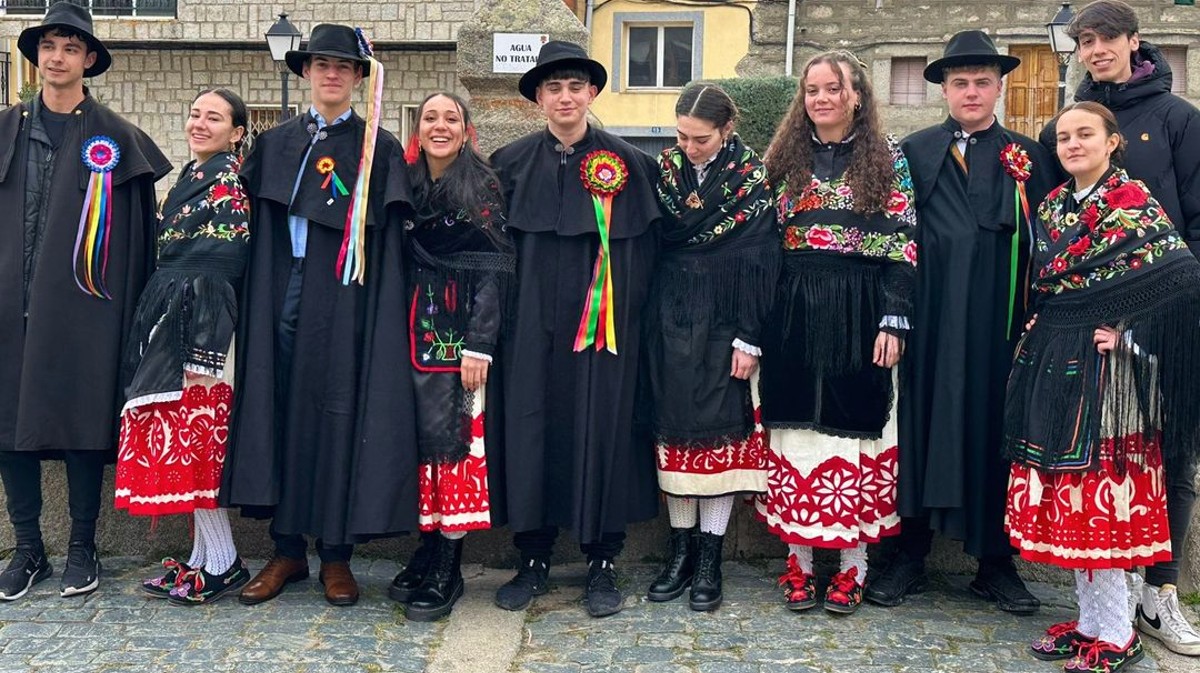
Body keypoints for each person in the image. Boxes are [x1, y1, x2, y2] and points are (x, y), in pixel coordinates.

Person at [220, 24, 417, 607]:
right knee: (276, 405)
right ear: (305, 72)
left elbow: (389, 246)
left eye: (343, 66)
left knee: (338, 410)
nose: (331, 74)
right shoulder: (274, 144)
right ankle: (285, 551)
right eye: (321, 64)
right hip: (280, 289)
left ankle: (335, 553)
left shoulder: (376, 147)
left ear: (359, 77)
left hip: (345, 294)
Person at [1007, 101, 1200, 673]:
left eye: (1085, 133)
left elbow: (1180, 282)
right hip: (1055, 359)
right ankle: (1092, 623)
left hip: (1109, 377)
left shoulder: (1133, 204)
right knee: (1070, 495)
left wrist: (1129, 335)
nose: (1072, 144)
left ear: (1113, 141)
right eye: (1063, 136)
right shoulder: (1051, 207)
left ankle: (1118, 634)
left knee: (1102, 498)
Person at [872, 30, 1057, 614]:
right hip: (928, 324)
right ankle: (909, 553)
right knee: (920, 428)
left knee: (993, 431)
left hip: (999, 330)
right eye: (960, 83)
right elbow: (894, 237)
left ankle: (996, 564)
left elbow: (1050, 244)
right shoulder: (913, 152)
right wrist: (894, 313)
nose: (971, 92)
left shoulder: (1030, 158)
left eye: (982, 82)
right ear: (944, 90)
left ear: (999, 88)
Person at [0, 1, 170, 601]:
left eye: (71, 47)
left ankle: (81, 547)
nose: (58, 57)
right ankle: (27, 550)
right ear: (36, 56)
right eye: (49, 45)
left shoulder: (118, 142)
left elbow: (137, 243)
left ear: (89, 60)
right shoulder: (4, 130)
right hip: (6, 312)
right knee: (5, 428)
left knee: (78, 426)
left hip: (81, 314)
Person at [489, 40, 662, 618]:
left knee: (602, 429)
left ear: (591, 93)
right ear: (537, 97)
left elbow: (648, 258)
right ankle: (532, 556)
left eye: (575, 86)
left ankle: (602, 558)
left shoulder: (631, 164)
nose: (565, 97)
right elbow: (490, 253)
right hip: (528, 331)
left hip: (605, 334)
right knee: (530, 429)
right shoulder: (509, 164)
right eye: (553, 87)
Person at [756, 50, 916, 615]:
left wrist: (895, 315)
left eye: (832, 89)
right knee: (795, 426)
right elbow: (761, 244)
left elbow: (902, 242)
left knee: (856, 431)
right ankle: (798, 561)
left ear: (856, 95)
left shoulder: (887, 158)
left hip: (860, 307)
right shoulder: (781, 158)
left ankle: (853, 568)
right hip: (793, 307)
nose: (820, 99)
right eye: (811, 90)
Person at [644, 83, 779, 612]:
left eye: (699, 138)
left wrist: (750, 336)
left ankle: (709, 559)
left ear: (727, 131)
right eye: (680, 136)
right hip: (670, 313)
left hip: (726, 319)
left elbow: (763, 259)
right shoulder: (665, 171)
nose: (688, 147)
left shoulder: (752, 180)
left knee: (716, 436)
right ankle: (679, 553)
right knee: (673, 432)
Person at [114, 89, 251, 605]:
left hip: (200, 332)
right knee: (185, 446)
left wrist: (203, 352)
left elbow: (222, 268)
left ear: (237, 132)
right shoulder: (192, 178)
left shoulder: (229, 184)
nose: (200, 123)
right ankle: (202, 558)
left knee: (199, 451)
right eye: (195, 114)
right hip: (171, 316)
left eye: (213, 117)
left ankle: (224, 561)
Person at [388, 92, 515, 622]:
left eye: (451, 118)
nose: (440, 126)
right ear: (417, 129)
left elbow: (495, 267)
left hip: (457, 331)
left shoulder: (481, 184)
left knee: (455, 445)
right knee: (420, 444)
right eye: (430, 117)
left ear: (466, 130)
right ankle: (427, 544)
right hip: (408, 324)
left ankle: (450, 560)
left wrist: (480, 343)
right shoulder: (408, 182)